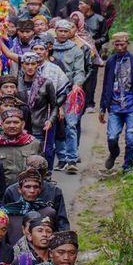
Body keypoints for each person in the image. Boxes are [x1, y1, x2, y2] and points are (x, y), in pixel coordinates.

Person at [101, 33, 133, 173]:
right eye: (116, 45)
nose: (119, 47)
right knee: (112, 137)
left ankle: (128, 166)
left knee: (130, 139)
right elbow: (106, 85)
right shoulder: (111, 62)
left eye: (122, 44)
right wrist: (102, 107)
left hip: (132, 106)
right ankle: (114, 153)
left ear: (127, 44)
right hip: (115, 105)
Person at [51, 20, 88, 173]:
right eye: (60, 31)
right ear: (56, 31)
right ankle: (61, 158)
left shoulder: (76, 50)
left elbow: (80, 71)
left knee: (71, 125)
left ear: (70, 33)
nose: (63, 34)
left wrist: (77, 84)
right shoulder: (49, 48)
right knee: (58, 125)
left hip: (70, 93)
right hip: (53, 92)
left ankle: (72, 159)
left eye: (66, 31)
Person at [0, 106, 44, 183]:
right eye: (8, 122)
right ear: (2, 125)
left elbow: (43, 170)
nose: (12, 126)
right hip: (1, 191)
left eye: (16, 122)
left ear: (23, 124)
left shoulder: (34, 144)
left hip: (28, 190)